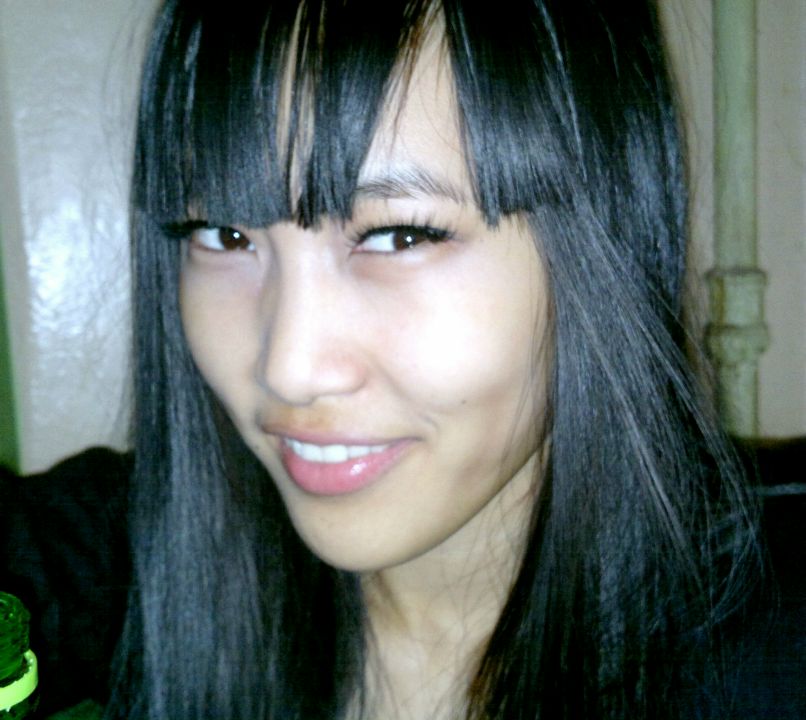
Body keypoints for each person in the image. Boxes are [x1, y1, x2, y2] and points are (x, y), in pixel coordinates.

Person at [95, 0, 765, 718]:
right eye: (223, 236)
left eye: (400, 236)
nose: (288, 370)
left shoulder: (774, 661)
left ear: (601, 240)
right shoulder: (124, 569)